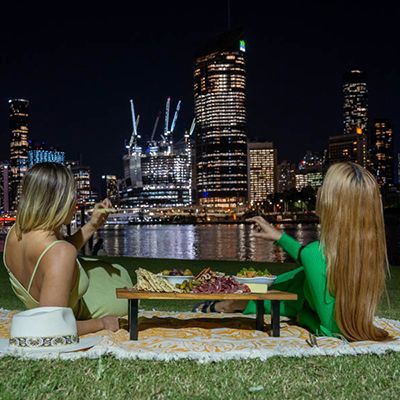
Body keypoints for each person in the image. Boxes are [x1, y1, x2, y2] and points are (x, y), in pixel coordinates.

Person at [196, 162, 390, 342]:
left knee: (282, 287)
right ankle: (234, 302)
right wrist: (279, 237)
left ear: (334, 203)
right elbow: (312, 257)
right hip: (308, 290)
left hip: (302, 299)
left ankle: (230, 304)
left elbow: (331, 330)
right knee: (290, 280)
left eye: (324, 187)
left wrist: (303, 316)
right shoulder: (365, 253)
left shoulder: (316, 254)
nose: (319, 191)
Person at [2, 163, 132, 335]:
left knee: (105, 268)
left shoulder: (15, 233)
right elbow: (53, 327)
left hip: (77, 298)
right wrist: (102, 323)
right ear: (60, 201)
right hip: (90, 309)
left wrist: (92, 225)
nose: (76, 202)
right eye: (73, 195)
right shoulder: (60, 253)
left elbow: (52, 258)